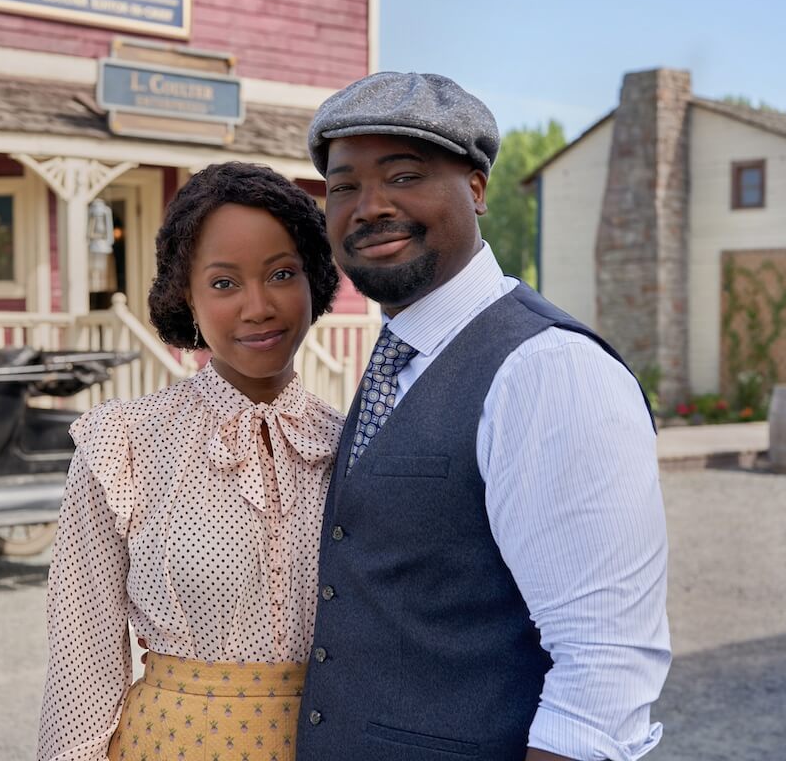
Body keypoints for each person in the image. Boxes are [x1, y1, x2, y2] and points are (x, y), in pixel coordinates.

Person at [295, 72, 671, 761]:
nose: (368, 206)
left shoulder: (548, 370)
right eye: (344, 186)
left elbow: (605, 669)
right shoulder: (400, 356)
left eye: (404, 175)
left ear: (475, 187)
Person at [38, 162, 344, 761]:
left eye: (282, 273)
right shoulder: (124, 444)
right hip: (173, 744)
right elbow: (83, 654)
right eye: (225, 283)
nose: (259, 306)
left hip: (328, 742)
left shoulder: (349, 445)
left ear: (314, 279)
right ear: (187, 295)